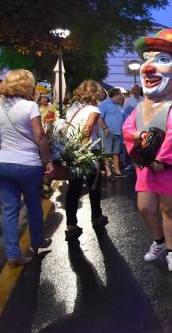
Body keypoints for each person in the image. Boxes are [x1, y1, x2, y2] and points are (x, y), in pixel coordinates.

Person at [123, 28, 172, 272]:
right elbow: (128, 128)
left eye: (162, 60)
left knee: (169, 210)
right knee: (145, 207)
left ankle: (171, 251)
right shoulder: (141, 106)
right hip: (147, 167)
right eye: (147, 59)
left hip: (170, 169)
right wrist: (140, 137)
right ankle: (158, 242)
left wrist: (162, 160)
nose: (148, 67)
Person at [0, 70, 54, 267]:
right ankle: (37, 242)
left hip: (3, 163)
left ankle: (13, 255)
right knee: (33, 205)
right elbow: (40, 136)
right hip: (28, 164)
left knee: (9, 211)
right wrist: (48, 161)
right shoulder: (30, 106)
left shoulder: (1, 108)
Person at [64, 80, 109, 241]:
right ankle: (96, 217)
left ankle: (71, 225)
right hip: (88, 152)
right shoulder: (93, 109)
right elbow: (88, 128)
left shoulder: (72, 108)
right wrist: (83, 150)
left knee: (73, 189)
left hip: (71, 151)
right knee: (94, 187)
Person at [99, 87, 125, 179]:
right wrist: (105, 128)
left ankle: (117, 171)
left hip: (117, 133)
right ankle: (109, 173)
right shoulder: (104, 104)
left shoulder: (118, 105)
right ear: (115, 95)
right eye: (120, 95)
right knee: (106, 153)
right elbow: (99, 118)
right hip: (107, 132)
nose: (121, 97)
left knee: (116, 152)